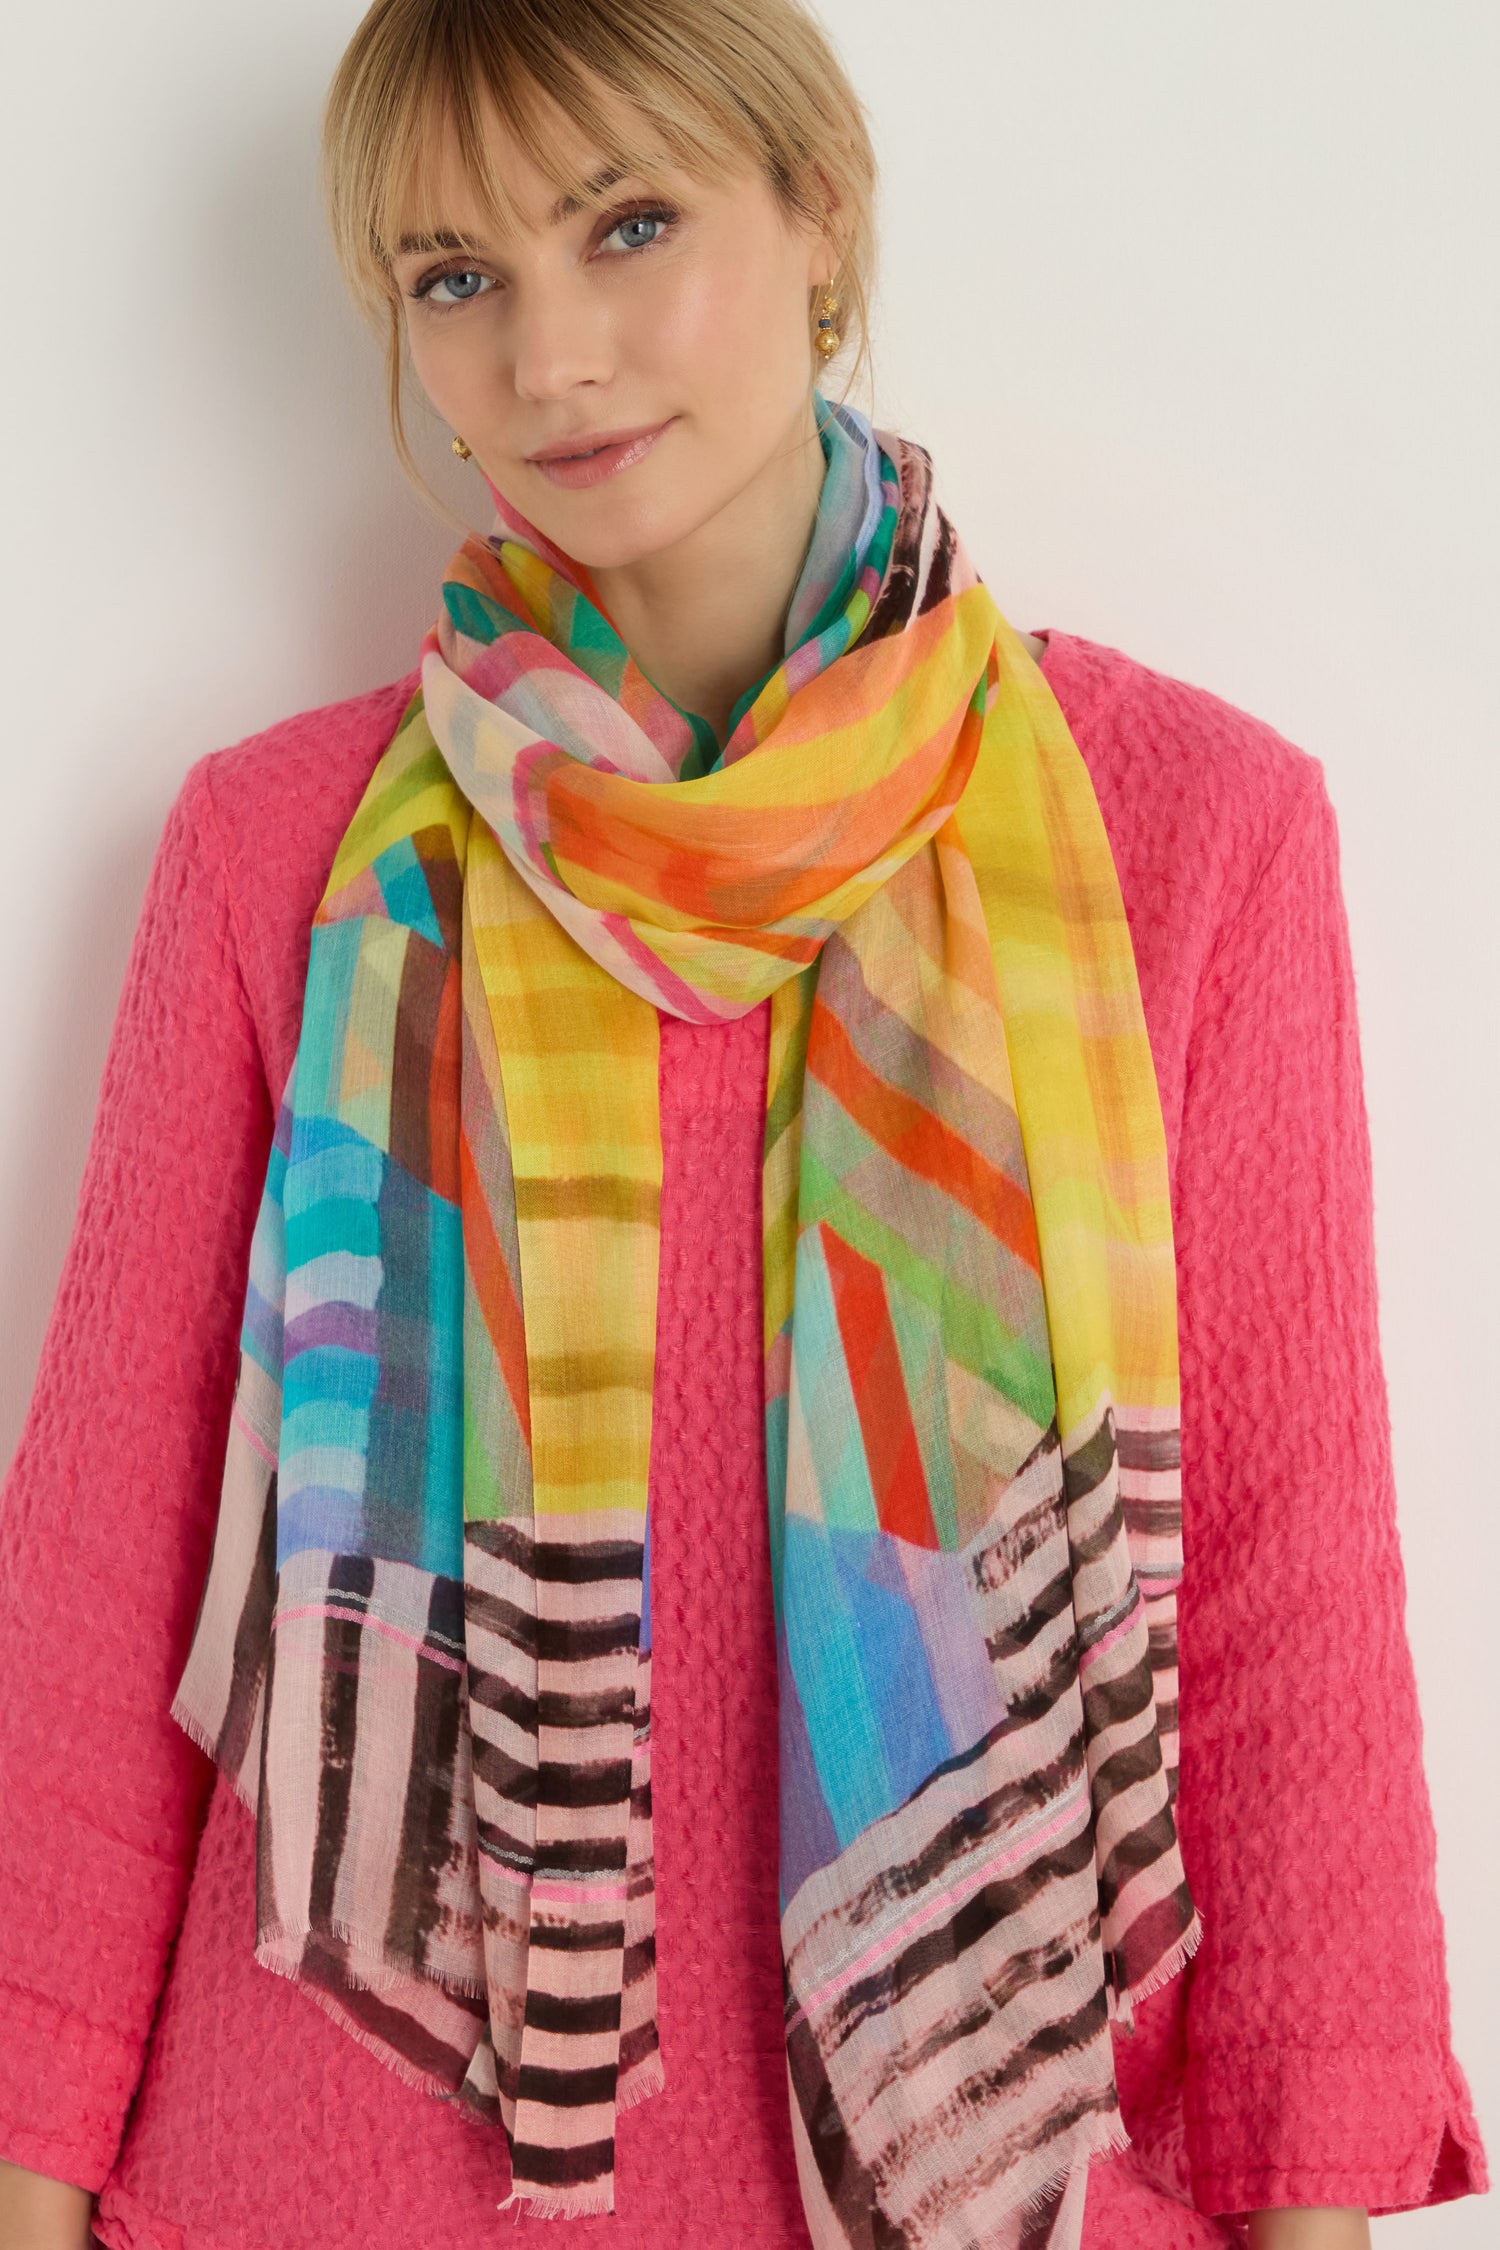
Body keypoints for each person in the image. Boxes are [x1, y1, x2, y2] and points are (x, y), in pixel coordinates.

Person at [0, 3, 1487, 2247]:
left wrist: (1314, 2196)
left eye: (627, 225)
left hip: (1000, 2178)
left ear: (822, 218)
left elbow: (1286, 1605)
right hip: (334, 2178)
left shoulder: (1193, 840)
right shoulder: (276, 855)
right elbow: (95, 1599)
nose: (550, 355)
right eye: (457, 275)